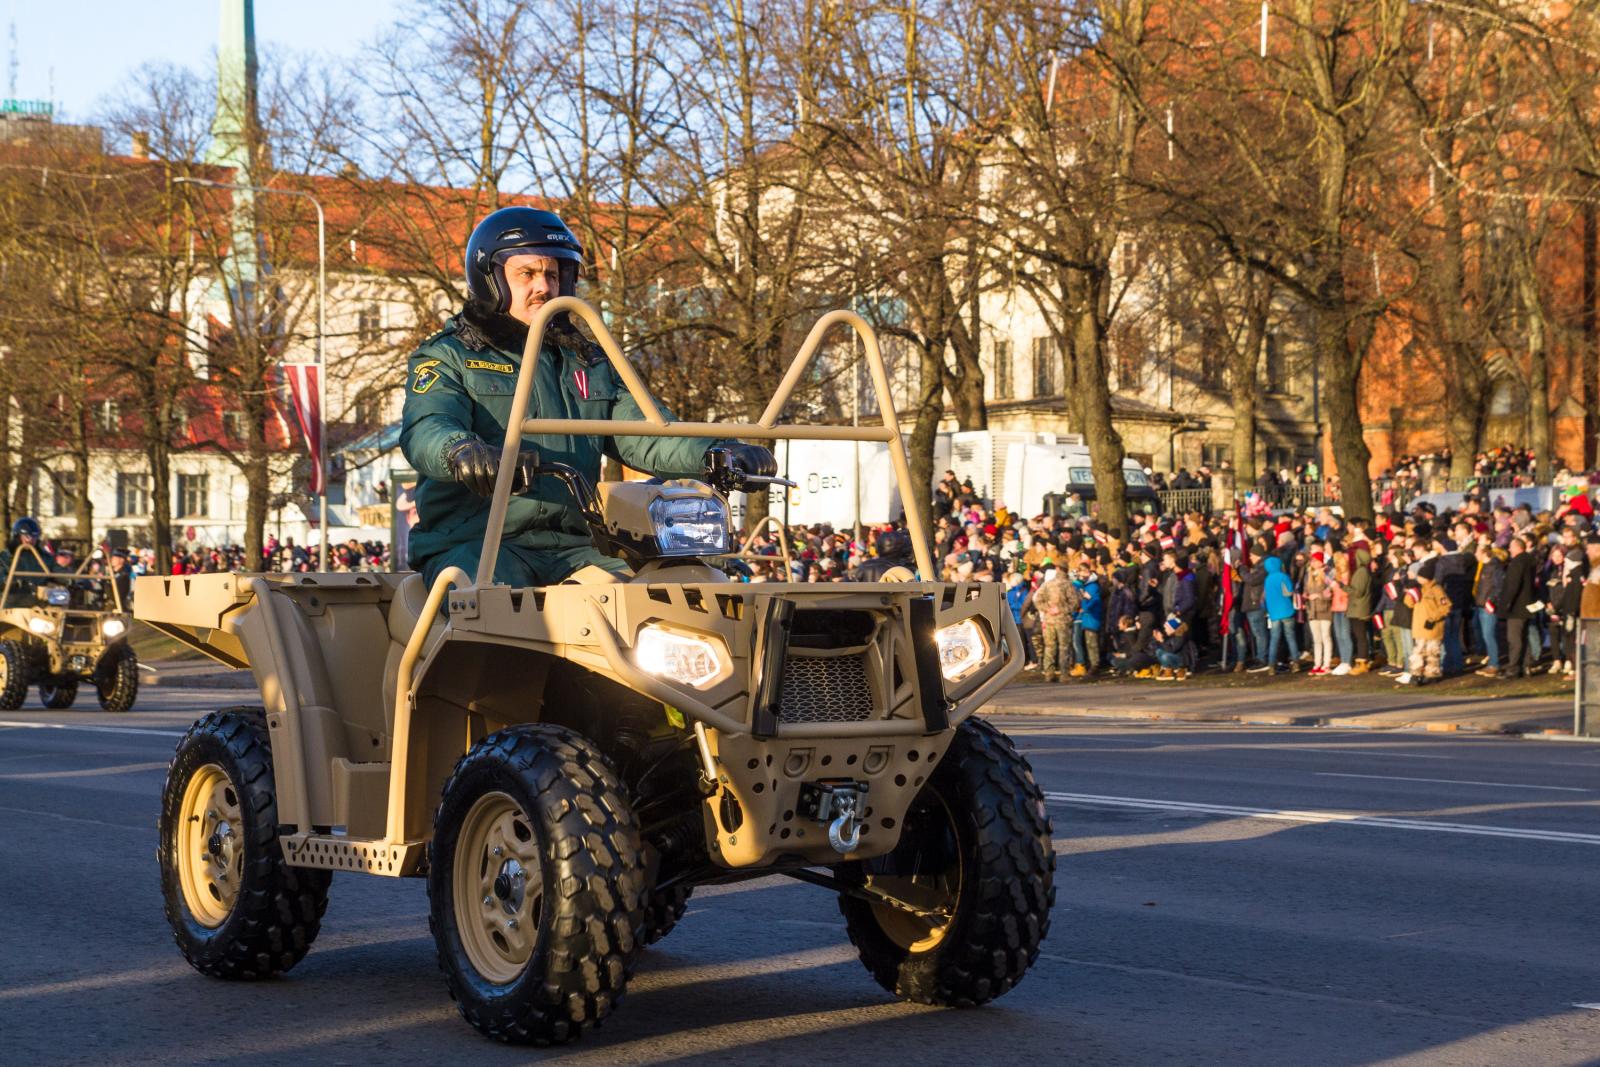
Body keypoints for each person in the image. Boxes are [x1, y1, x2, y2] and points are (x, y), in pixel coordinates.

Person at [400, 207, 775, 586]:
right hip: (477, 543)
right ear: (491, 281)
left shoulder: (588, 362)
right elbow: (427, 425)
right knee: (496, 609)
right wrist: (461, 451)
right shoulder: (452, 355)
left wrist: (716, 452)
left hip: (575, 546)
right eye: (527, 274)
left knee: (670, 591)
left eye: (553, 273)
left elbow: (648, 431)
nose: (544, 287)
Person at [1400, 558, 1450, 686]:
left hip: (1433, 627)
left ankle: (1432, 674)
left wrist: (1433, 618)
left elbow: (1445, 606)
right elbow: (1409, 604)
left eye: (1420, 577)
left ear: (1426, 578)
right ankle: (1416, 674)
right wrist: (1410, 593)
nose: (1418, 578)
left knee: (1432, 652)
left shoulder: (1437, 589)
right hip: (1419, 627)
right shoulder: (1419, 589)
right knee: (1417, 652)